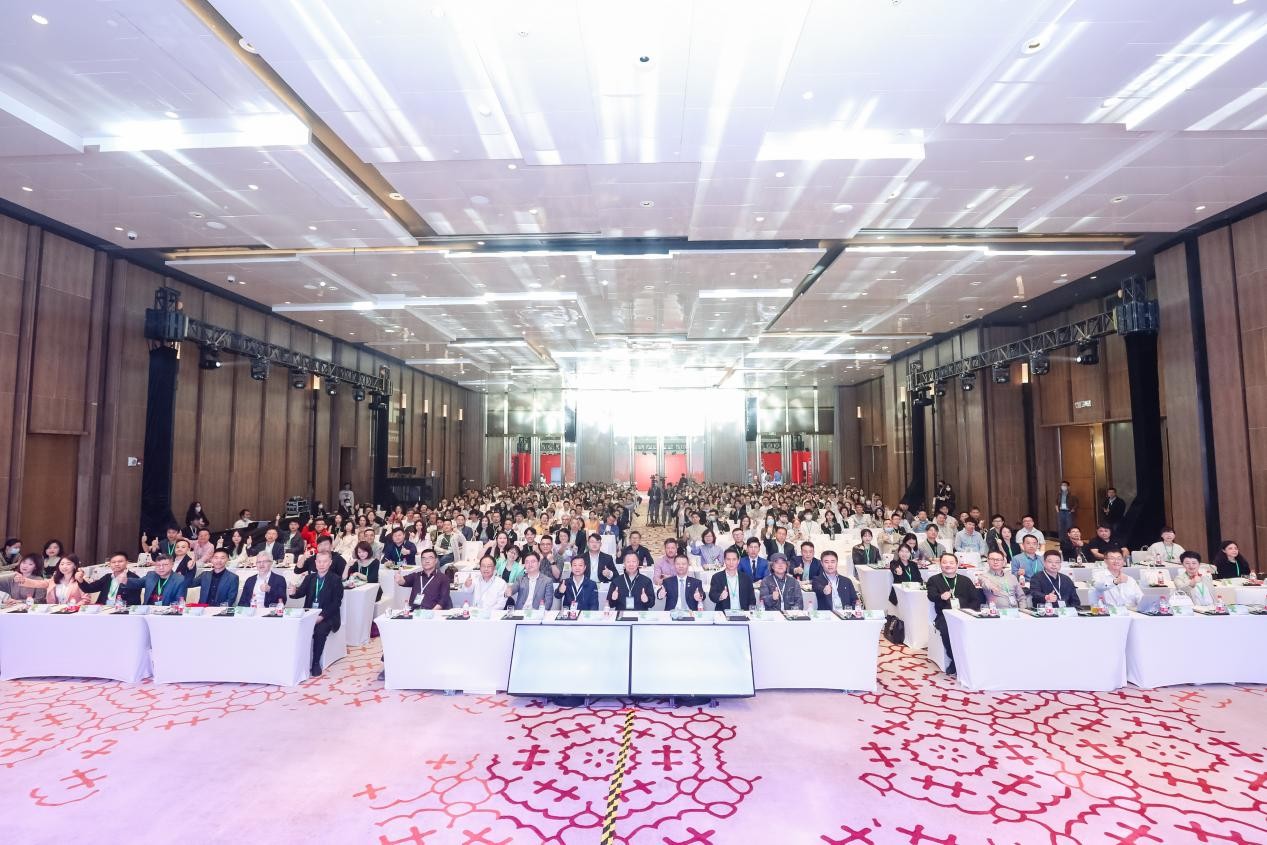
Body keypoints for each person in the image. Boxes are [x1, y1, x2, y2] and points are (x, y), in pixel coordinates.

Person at [926, 553, 981, 676]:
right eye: (945, 562)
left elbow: (976, 600)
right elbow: (931, 596)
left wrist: (967, 611)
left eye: (951, 563)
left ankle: (974, 658)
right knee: (946, 630)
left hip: (965, 613)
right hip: (945, 615)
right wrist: (940, 596)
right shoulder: (934, 580)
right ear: (940, 564)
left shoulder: (965, 580)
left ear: (957, 565)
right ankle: (955, 659)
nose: (948, 565)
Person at [290, 552, 344, 677]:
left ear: (330, 563)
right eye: (319, 561)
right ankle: (298, 661)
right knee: (296, 627)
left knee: (320, 630)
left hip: (329, 616)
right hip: (310, 614)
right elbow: (300, 593)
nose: (321, 564)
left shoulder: (335, 579)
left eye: (325, 562)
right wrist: (293, 593)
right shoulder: (310, 578)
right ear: (315, 563)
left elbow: (336, 603)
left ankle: (315, 663)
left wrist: (322, 616)